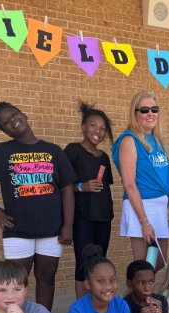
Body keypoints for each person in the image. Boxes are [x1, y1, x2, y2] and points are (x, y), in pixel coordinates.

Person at [0, 101, 75, 311]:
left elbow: (67, 189)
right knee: (15, 284)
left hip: (51, 230)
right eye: (6, 123)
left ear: (24, 114)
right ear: (4, 131)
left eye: (14, 115)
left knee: (47, 279)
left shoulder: (53, 151)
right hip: (17, 231)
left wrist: (68, 226)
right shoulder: (0, 152)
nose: (13, 121)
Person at [111, 90, 169, 268]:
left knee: (159, 262)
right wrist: (144, 222)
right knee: (142, 268)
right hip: (142, 205)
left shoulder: (155, 140)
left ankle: (143, 295)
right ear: (135, 113)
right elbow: (129, 184)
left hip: (159, 207)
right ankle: (132, 296)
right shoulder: (129, 140)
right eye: (144, 110)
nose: (150, 114)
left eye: (154, 109)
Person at [64, 101, 114, 295]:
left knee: (100, 261)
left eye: (102, 128)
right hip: (82, 216)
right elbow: (61, 185)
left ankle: (96, 305)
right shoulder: (73, 150)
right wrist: (81, 187)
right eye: (93, 125)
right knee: (83, 262)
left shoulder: (104, 157)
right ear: (84, 127)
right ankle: (81, 310)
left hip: (103, 216)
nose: (98, 131)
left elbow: (105, 187)